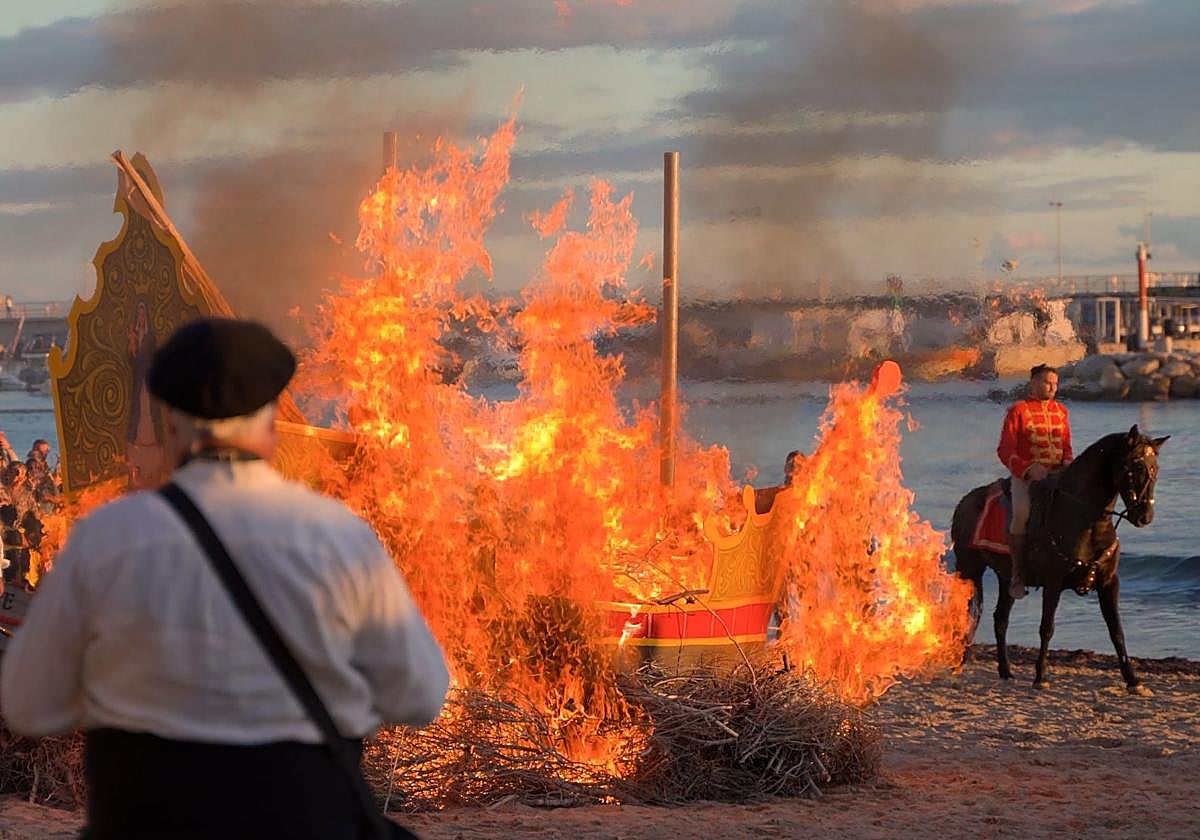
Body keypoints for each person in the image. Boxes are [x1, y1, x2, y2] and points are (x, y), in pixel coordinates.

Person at [1, 317, 450, 839]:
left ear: (169, 426)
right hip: (305, 823)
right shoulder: (341, 537)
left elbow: (29, 704)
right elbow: (420, 696)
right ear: (271, 425)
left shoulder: (105, 539)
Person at [997, 363, 1073, 599]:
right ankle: (1018, 574)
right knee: (1021, 512)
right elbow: (1005, 449)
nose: (1051, 387)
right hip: (1027, 477)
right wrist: (1028, 470)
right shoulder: (1017, 411)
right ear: (1033, 383)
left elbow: (1067, 447)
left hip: (1057, 475)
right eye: (1046, 382)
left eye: (1055, 384)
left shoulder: (1062, 411)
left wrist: (1069, 463)